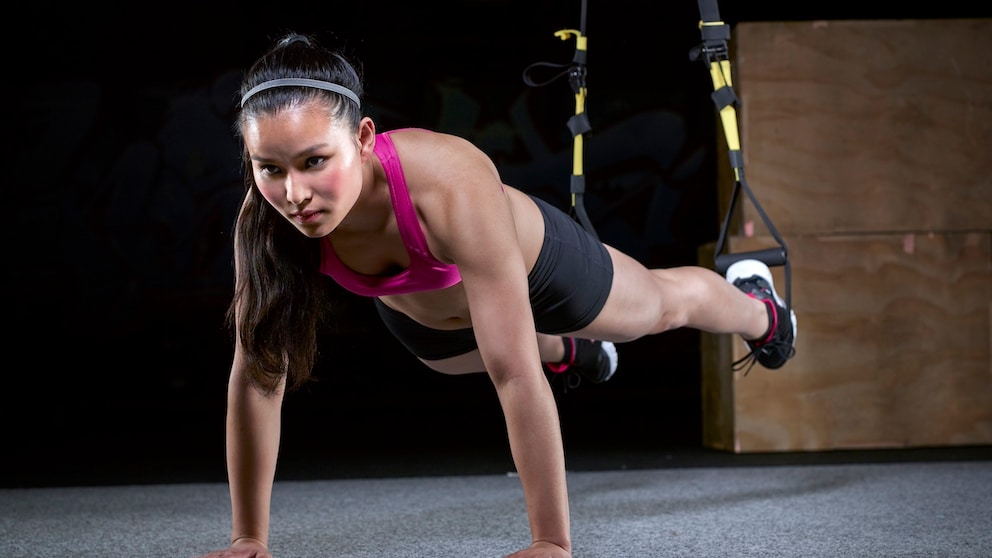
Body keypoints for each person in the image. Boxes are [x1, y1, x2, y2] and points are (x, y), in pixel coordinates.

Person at [195, 32, 796, 558]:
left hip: (541, 270)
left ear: (364, 137)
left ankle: (759, 309)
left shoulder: (448, 180)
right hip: (431, 325)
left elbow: (511, 374)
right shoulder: (268, 217)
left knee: (657, 311)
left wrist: (551, 541)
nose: (293, 191)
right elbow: (257, 374)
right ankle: (566, 351)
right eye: (269, 168)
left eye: (314, 160)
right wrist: (250, 537)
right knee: (485, 354)